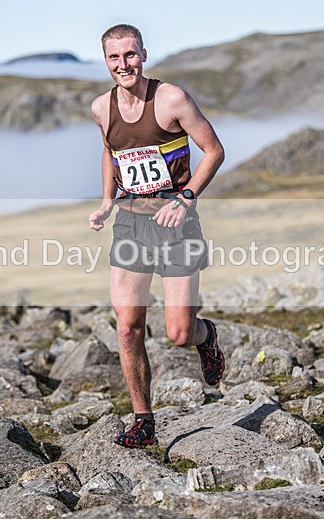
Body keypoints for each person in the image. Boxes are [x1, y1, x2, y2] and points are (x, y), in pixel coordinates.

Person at [88, 24, 226, 448]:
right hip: (131, 223)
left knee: (179, 333)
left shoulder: (171, 99)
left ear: (143, 55)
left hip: (177, 223)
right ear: (106, 61)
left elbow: (214, 151)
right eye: (114, 57)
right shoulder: (100, 107)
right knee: (128, 327)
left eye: (130, 55)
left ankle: (208, 337)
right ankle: (143, 421)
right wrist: (108, 201)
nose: (123, 64)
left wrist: (185, 198)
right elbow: (112, 152)